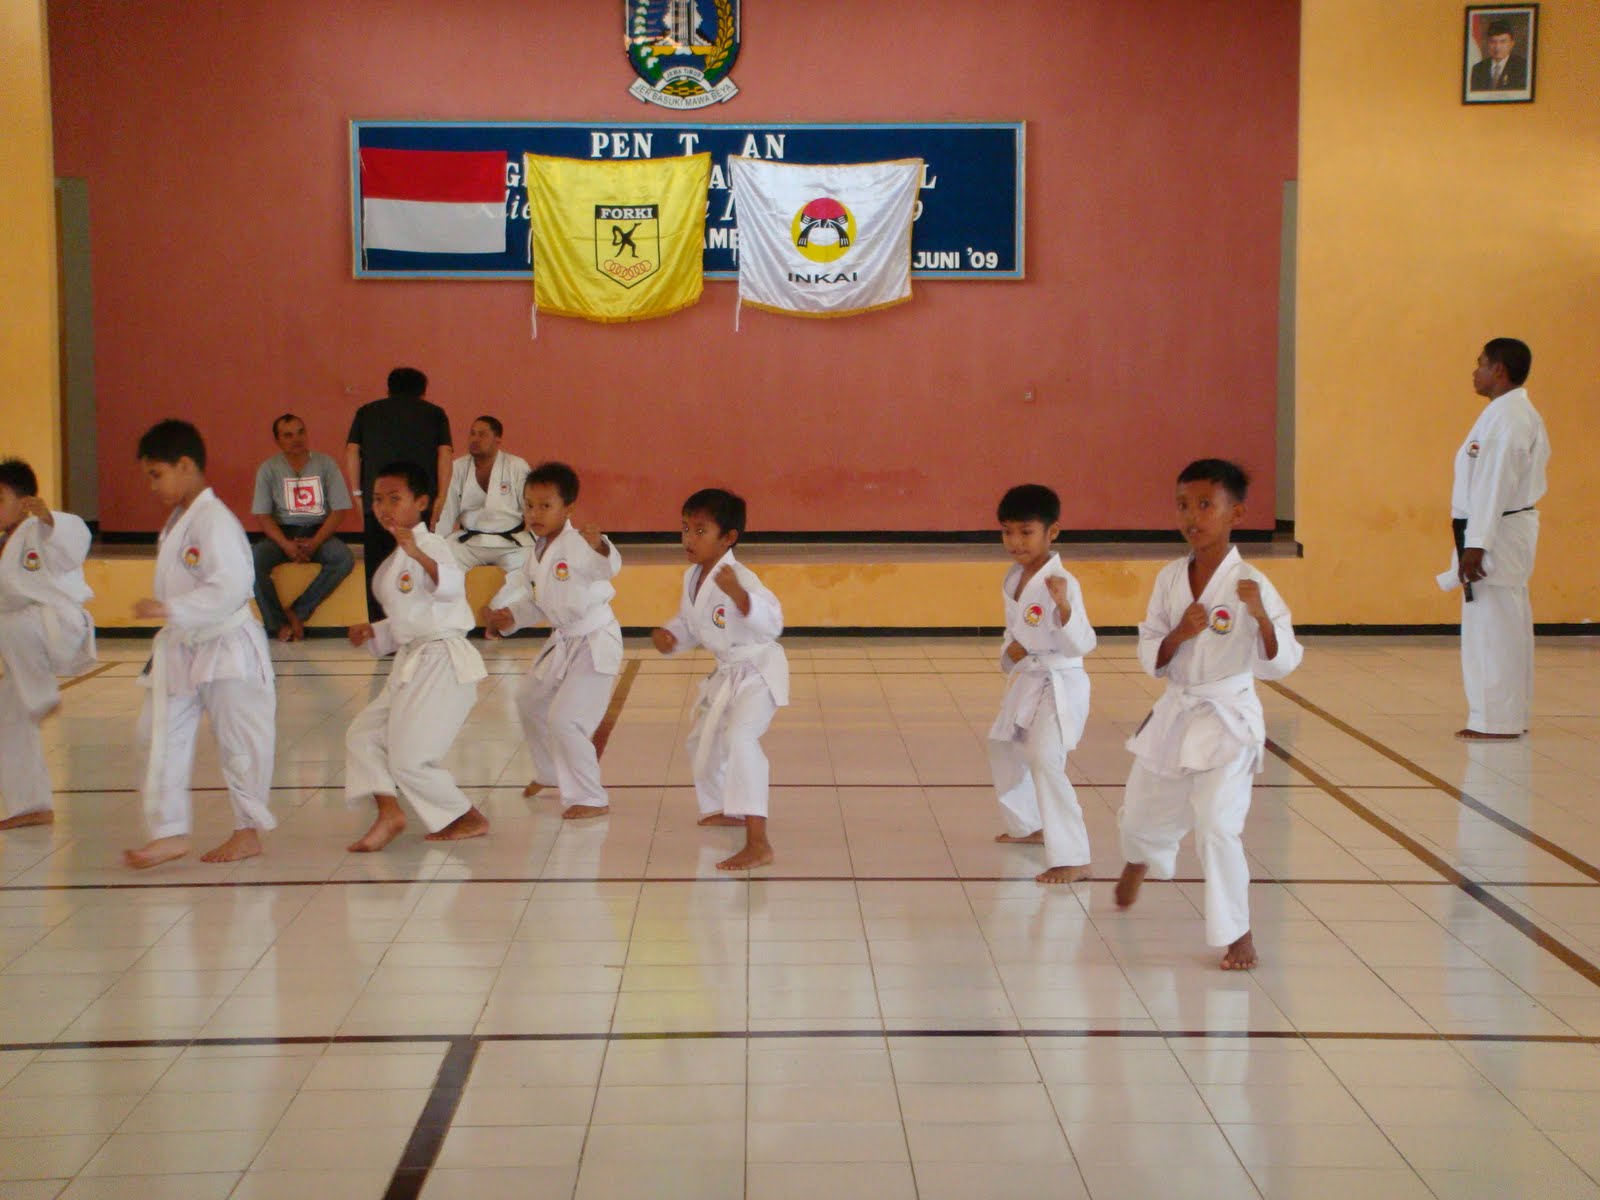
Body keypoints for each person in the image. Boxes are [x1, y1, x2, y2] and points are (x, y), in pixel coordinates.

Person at [1114, 459, 1302, 970]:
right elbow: (1150, 650)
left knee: (1217, 823)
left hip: (1226, 716)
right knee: (1140, 812)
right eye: (1183, 504)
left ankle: (1237, 932)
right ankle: (1139, 859)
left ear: (1234, 513)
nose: (1192, 516)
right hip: (1178, 709)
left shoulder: (1250, 583)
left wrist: (1261, 617)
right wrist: (1180, 633)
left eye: (1205, 505)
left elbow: (1283, 660)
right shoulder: (1171, 578)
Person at [127, 420, 277, 869]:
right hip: (182, 645)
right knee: (156, 734)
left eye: (157, 474)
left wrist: (173, 609)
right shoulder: (180, 520)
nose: (152, 486)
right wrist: (173, 616)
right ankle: (169, 831)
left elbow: (233, 585)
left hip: (227, 642)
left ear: (185, 465)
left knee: (241, 741)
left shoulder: (214, 520)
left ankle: (247, 830)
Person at [344, 461, 489, 851]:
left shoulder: (432, 545)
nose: (384, 507)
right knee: (363, 735)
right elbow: (411, 621)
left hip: (442, 661)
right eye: (377, 499)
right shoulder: (395, 559)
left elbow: (450, 587)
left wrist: (420, 556)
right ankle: (389, 812)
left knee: (409, 760)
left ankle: (465, 816)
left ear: (421, 502)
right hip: (412, 659)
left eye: (395, 498)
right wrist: (373, 631)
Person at [650, 488, 787, 871]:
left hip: (757, 671)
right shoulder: (692, 576)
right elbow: (695, 625)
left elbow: (772, 622)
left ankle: (758, 842)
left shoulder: (740, 577)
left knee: (740, 739)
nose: (688, 540)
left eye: (699, 531)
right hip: (728, 672)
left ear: (728, 538)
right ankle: (726, 807)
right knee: (700, 739)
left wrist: (741, 597)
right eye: (684, 530)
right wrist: (672, 636)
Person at [482, 462, 622, 820]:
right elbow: (536, 602)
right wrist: (508, 618)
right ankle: (548, 772)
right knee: (528, 699)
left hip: (594, 639)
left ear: (568, 508)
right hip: (564, 640)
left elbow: (606, 567)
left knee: (565, 719)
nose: (535, 513)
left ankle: (590, 796)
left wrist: (601, 547)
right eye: (529, 505)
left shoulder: (578, 543)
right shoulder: (538, 551)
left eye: (546, 505)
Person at [1437, 338, 1549, 740]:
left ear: (1498, 369)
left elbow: (1493, 486)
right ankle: (1506, 715)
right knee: (1503, 623)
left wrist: (1477, 544)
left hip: (1495, 533)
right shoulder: (1505, 414)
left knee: (1493, 629)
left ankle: (1496, 720)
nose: (1475, 371)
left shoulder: (1509, 420)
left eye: (1480, 363)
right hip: (1496, 529)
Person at [988, 484, 1097, 884]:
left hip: (1060, 679)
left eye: (1026, 532)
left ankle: (1074, 856)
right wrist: (1010, 652)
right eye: (1007, 531)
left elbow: (1083, 643)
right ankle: (1029, 825)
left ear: (1053, 532)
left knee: (1044, 758)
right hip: (1029, 676)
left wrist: (1066, 608)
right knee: (1003, 746)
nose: (1015, 542)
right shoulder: (1014, 577)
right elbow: (1014, 634)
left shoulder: (1061, 581)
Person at [0, 459, 96, 830]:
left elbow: (74, 541)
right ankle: (30, 804)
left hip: (60, 630)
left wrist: (49, 518)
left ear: (25, 501)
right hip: (27, 644)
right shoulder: (7, 542)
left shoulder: (42, 529)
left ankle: (42, 696)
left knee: (10, 622)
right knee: (9, 717)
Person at [345, 367, 453, 619]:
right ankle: (417, 623)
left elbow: (351, 451)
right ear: (423, 392)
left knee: (378, 567)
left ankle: (380, 629)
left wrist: (358, 494)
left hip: (378, 503)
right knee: (417, 561)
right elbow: (445, 454)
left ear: (388, 389)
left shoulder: (367, 412)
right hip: (417, 503)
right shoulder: (435, 414)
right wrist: (440, 498)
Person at [251, 413, 354, 641]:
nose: (296, 439)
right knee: (253, 560)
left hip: (319, 531)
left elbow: (339, 511)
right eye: (288, 435)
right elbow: (263, 515)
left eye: (300, 432)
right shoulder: (268, 469)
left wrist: (315, 542)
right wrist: (285, 545)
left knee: (343, 558)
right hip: (283, 533)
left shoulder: (326, 464)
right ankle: (278, 624)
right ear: (278, 441)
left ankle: (298, 612)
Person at [435, 416, 534, 573]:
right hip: (470, 543)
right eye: (472, 434)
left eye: (482, 435)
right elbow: (448, 510)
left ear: (498, 439)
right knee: (444, 562)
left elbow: (531, 507)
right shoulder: (458, 467)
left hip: (511, 544)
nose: (475, 439)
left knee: (529, 565)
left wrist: (538, 538)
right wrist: (436, 542)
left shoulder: (516, 466)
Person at [1469, 19, 1529, 91]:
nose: (1497, 47)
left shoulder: (1522, 67)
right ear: (1487, 43)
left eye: (1503, 42)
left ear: (1512, 44)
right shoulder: (1478, 69)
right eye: (1493, 42)